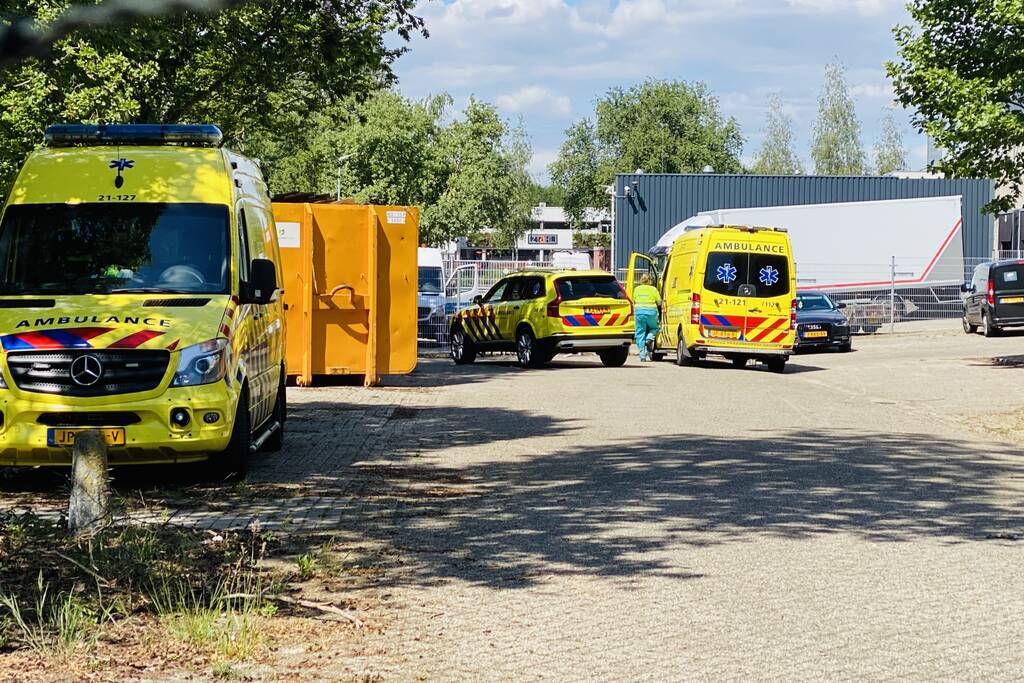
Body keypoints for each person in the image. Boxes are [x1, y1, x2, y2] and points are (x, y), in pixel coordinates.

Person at [632, 273, 661, 362]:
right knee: (655, 328)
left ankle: (642, 355)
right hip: (651, 312)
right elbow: (659, 302)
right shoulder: (654, 289)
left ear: (641, 280)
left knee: (640, 333)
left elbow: (634, 301)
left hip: (639, 313)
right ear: (650, 280)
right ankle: (649, 339)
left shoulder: (637, 289)